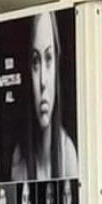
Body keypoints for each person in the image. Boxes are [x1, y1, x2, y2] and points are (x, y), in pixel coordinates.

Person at [11, 12, 79, 182]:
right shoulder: (19, 162)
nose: (42, 81)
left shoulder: (68, 157)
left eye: (48, 59)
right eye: (35, 62)